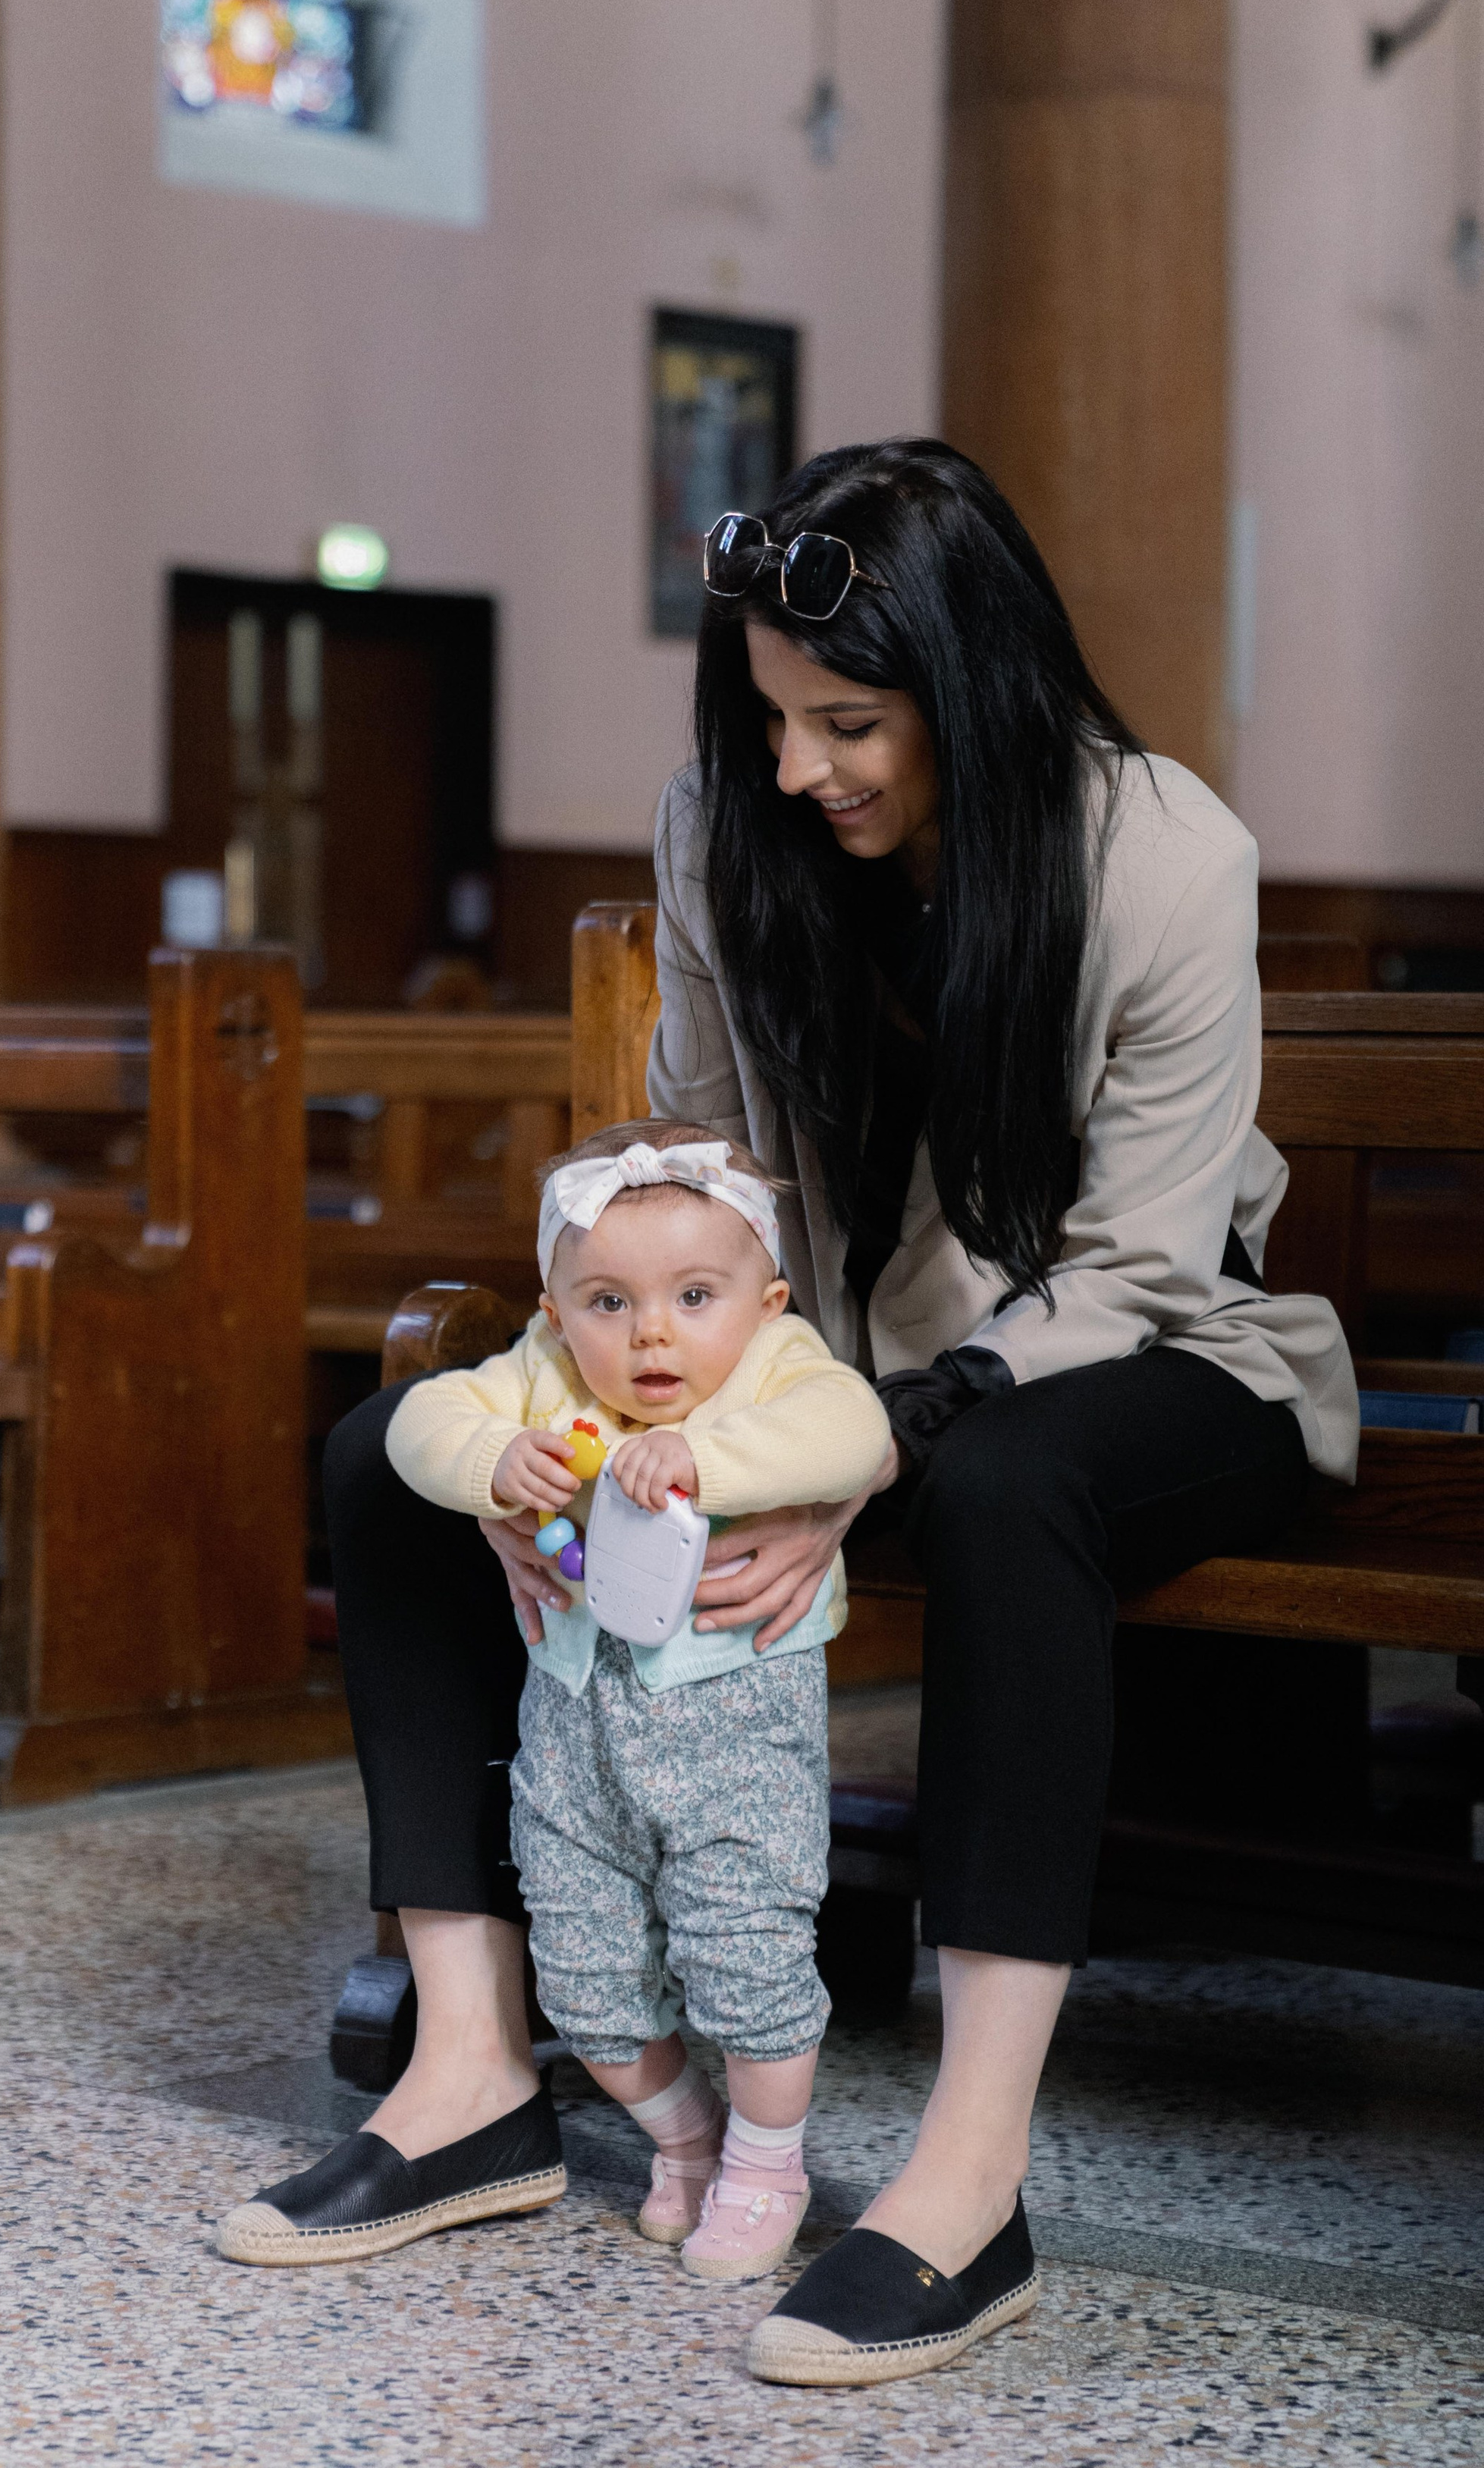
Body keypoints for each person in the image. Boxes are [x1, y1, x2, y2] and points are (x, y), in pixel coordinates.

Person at [224, 440, 1357, 2387]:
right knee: (388, 1454)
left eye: (846, 723)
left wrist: (857, 1453)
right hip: (813, 1364)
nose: (793, 770)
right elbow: (701, 1177)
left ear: (972, 692)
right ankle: (476, 2068)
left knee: (1002, 1489)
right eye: (763, 718)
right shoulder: (721, 836)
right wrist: (576, 1421)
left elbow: (1142, 1264)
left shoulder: (1163, 855)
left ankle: (968, 2177)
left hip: (1147, 1358)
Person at [221, 1122, 893, 2278]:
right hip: (574, 1746)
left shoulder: (782, 1371)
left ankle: (768, 2166)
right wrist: (495, 1462)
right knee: (586, 1985)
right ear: (553, 1309)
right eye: (608, 1304)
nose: (652, 1337)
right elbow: (424, 1421)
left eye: (694, 1296)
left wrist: (701, 1461)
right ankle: (687, 2141)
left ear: (769, 1299)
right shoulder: (544, 1375)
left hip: (735, 1743)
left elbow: (855, 1430)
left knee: (751, 1968)